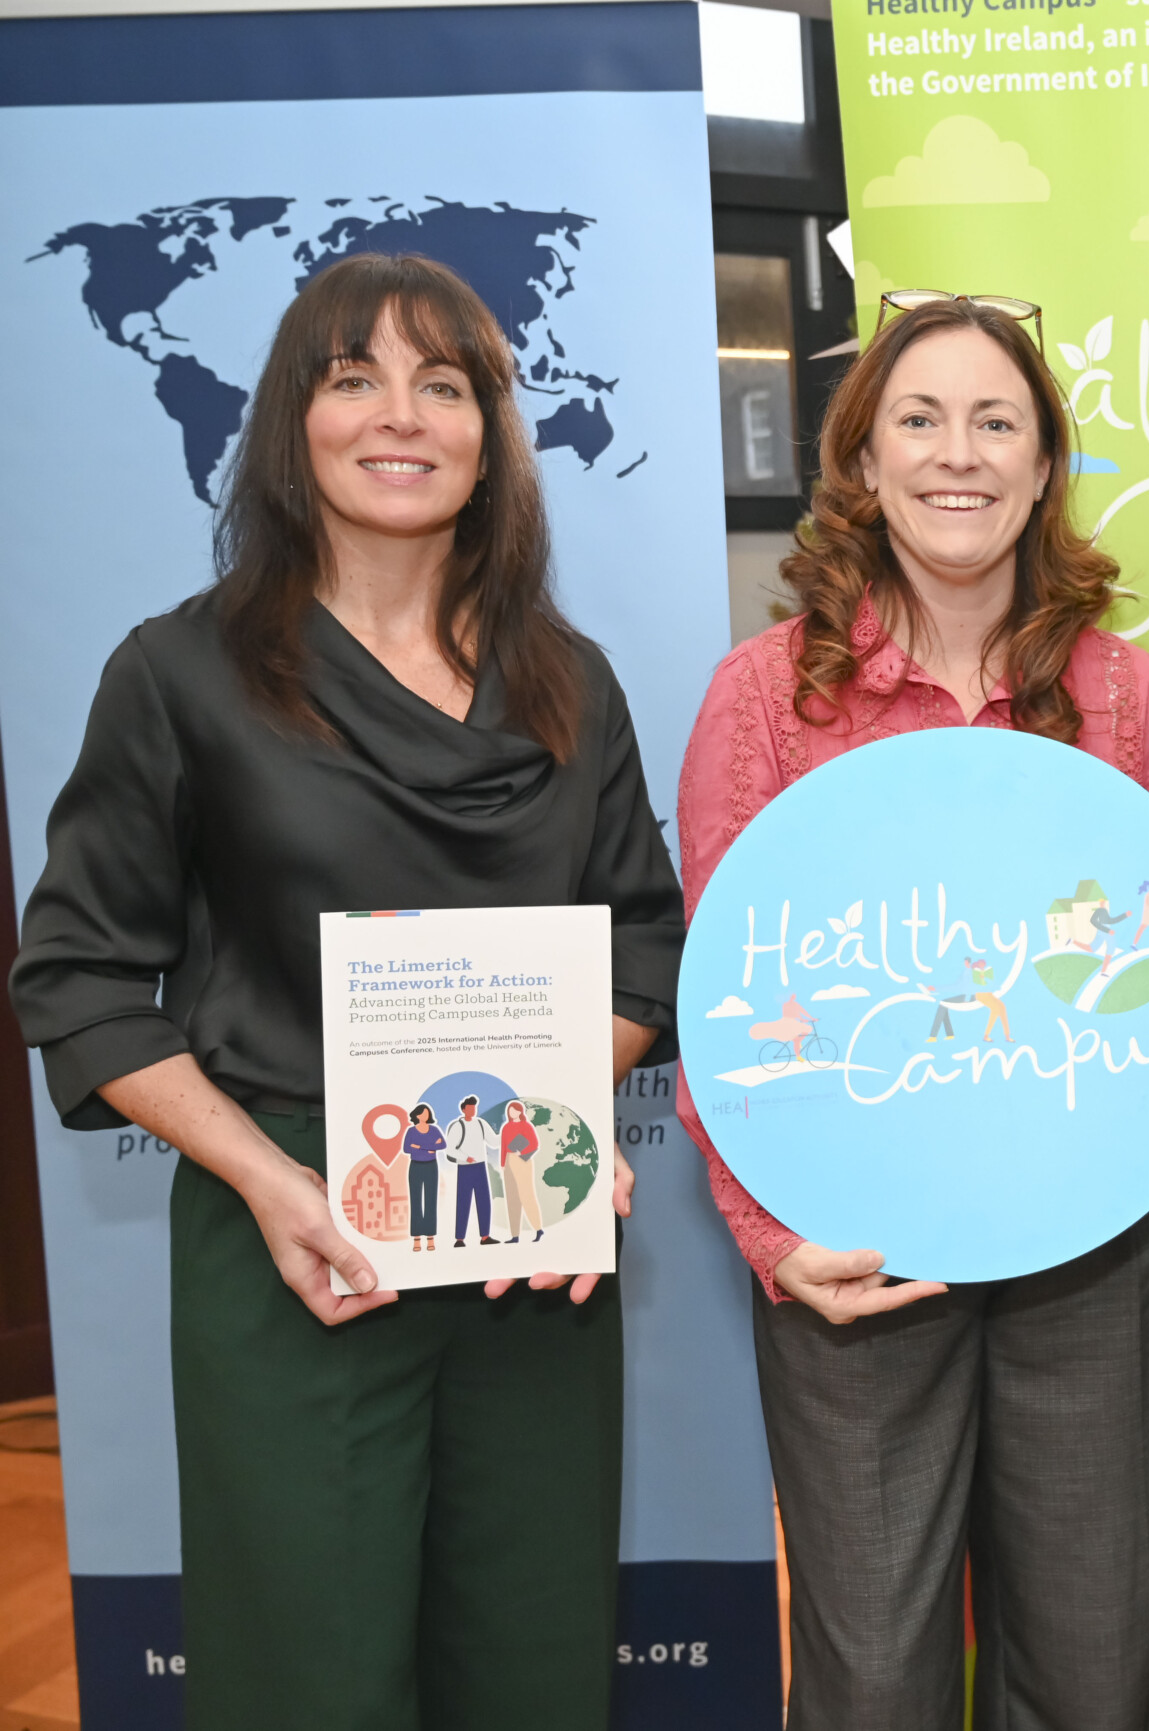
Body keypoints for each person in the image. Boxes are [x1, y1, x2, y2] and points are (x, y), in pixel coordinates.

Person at [7, 252, 682, 1731]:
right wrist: (264, 1177)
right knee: (306, 1672)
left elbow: (646, 943)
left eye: (445, 384)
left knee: (533, 1660)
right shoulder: (180, 675)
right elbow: (79, 971)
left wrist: (555, 1111)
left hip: (526, 1245)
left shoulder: (570, 678)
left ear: (493, 430)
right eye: (354, 376)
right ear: (289, 421)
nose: (403, 414)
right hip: (299, 1247)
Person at [670, 292, 1149, 1730]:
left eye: (998, 421)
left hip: (1089, 1246)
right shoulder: (760, 701)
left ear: (1046, 464)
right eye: (918, 419)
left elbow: (1141, 984)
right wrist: (773, 1237)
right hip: (854, 1249)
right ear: (863, 460)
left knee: (1098, 1662)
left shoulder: (1129, 700)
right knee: (874, 1672)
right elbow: (726, 995)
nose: (959, 454)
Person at [445, 1092, 500, 1246]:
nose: (473, 1111)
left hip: (480, 1166)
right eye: (469, 1109)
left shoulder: (481, 1123)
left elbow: (494, 1141)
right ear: (463, 1109)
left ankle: (485, 1236)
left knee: (484, 1201)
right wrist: (465, 1157)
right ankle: (460, 1238)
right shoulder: (457, 1126)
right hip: (465, 1168)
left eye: (474, 1108)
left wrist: (508, 1134)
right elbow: (450, 1150)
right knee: (463, 1202)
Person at [500, 1098, 545, 1244]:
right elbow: (504, 1145)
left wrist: (522, 1152)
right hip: (508, 1160)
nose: (512, 1112)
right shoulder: (506, 1127)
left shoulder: (526, 1126)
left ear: (520, 1111)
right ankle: (515, 1235)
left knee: (527, 1195)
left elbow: (535, 1143)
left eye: (514, 1109)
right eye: (510, 1110)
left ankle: (538, 1228)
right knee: (512, 1197)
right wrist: (502, 1163)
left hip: (523, 1161)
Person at [403, 1103, 446, 1254]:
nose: (426, 1115)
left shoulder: (434, 1129)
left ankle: (430, 1237)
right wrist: (428, 1146)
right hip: (415, 1166)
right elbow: (407, 1148)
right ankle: (416, 1238)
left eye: (427, 1113)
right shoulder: (411, 1130)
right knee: (415, 1201)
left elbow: (443, 1144)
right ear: (417, 1115)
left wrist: (419, 1146)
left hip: (431, 1166)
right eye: (423, 1113)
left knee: (430, 1200)